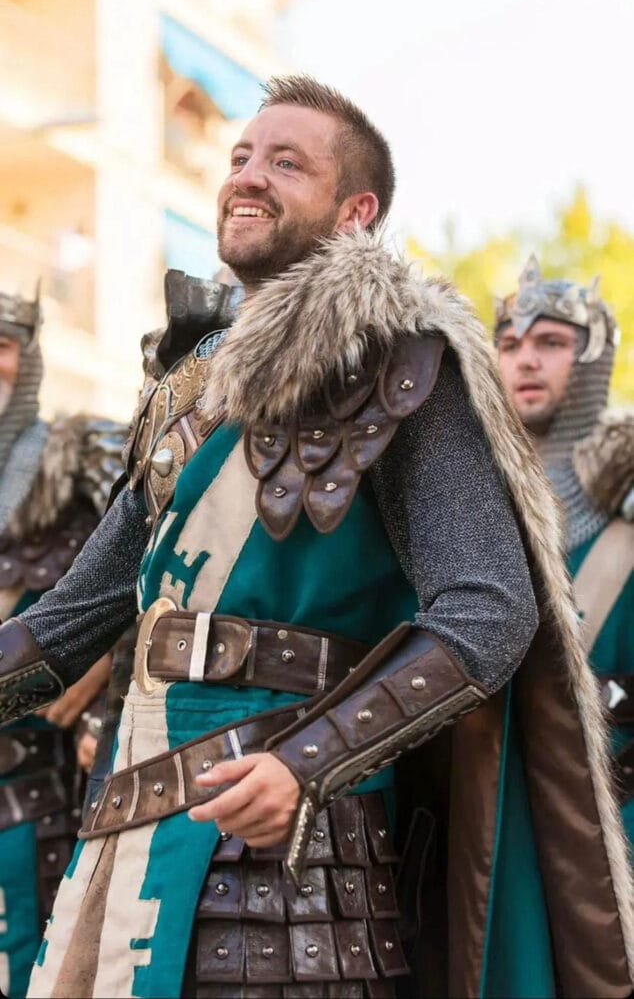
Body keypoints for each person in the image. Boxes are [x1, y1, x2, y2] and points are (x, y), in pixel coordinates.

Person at [0, 77, 632, 999]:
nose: (248, 177)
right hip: (122, 843)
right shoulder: (187, 391)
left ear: (355, 211)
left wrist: (307, 764)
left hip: (290, 877)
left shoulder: (403, 365)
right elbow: (70, 623)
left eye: (286, 163)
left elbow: (487, 610)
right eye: (242, 158)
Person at [0, 285, 125, 997]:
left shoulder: (82, 457)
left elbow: (163, 562)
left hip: (45, 795)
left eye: (3, 346)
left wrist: (106, 660)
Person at [496, 256, 634, 843]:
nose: (526, 358)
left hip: (609, 821)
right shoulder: (465, 498)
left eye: (550, 341)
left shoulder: (625, 509)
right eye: (509, 343)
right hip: (489, 810)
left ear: (592, 358)